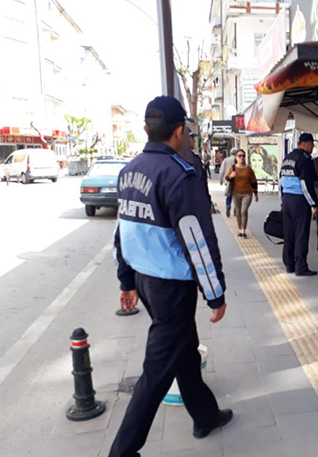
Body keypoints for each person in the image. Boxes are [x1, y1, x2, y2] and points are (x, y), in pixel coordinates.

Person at [110, 96, 233, 457]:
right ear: (179, 131)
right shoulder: (180, 175)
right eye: (187, 133)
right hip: (171, 286)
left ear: (146, 130)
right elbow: (198, 241)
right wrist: (215, 294)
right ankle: (122, 451)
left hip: (145, 279)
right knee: (156, 373)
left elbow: (123, 231)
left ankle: (205, 415)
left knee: (184, 349)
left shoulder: (129, 170)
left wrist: (126, 281)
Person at [279, 133, 318, 276]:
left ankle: (289, 265)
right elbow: (306, 183)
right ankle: (301, 267)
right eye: (312, 144)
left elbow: (281, 181)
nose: (312, 147)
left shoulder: (287, 158)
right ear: (306, 143)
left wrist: (282, 201)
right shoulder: (305, 159)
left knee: (289, 233)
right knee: (301, 234)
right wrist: (314, 204)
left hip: (287, 199)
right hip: (299, 200)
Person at [225, 149, 258, 237]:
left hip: (247, 193)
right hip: (236, 193)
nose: (242, 157)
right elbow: (227, 178)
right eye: (239, 156)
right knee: (238, 211)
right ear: (236, 157)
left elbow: (253, 181)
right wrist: (230, 176)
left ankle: (243, 229)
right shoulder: (233, 168)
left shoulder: (248, 169)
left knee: (244, 211)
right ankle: (239, 228)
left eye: (243, 156)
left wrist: (255, 193)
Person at [219, 148, 237, 217]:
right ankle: (235, 209)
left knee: (228, 194)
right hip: (237, 181)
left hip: (228, 180)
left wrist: (221, 180)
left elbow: (222, 171)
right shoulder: (238, 160)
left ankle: (228, 205)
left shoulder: (226, 160)